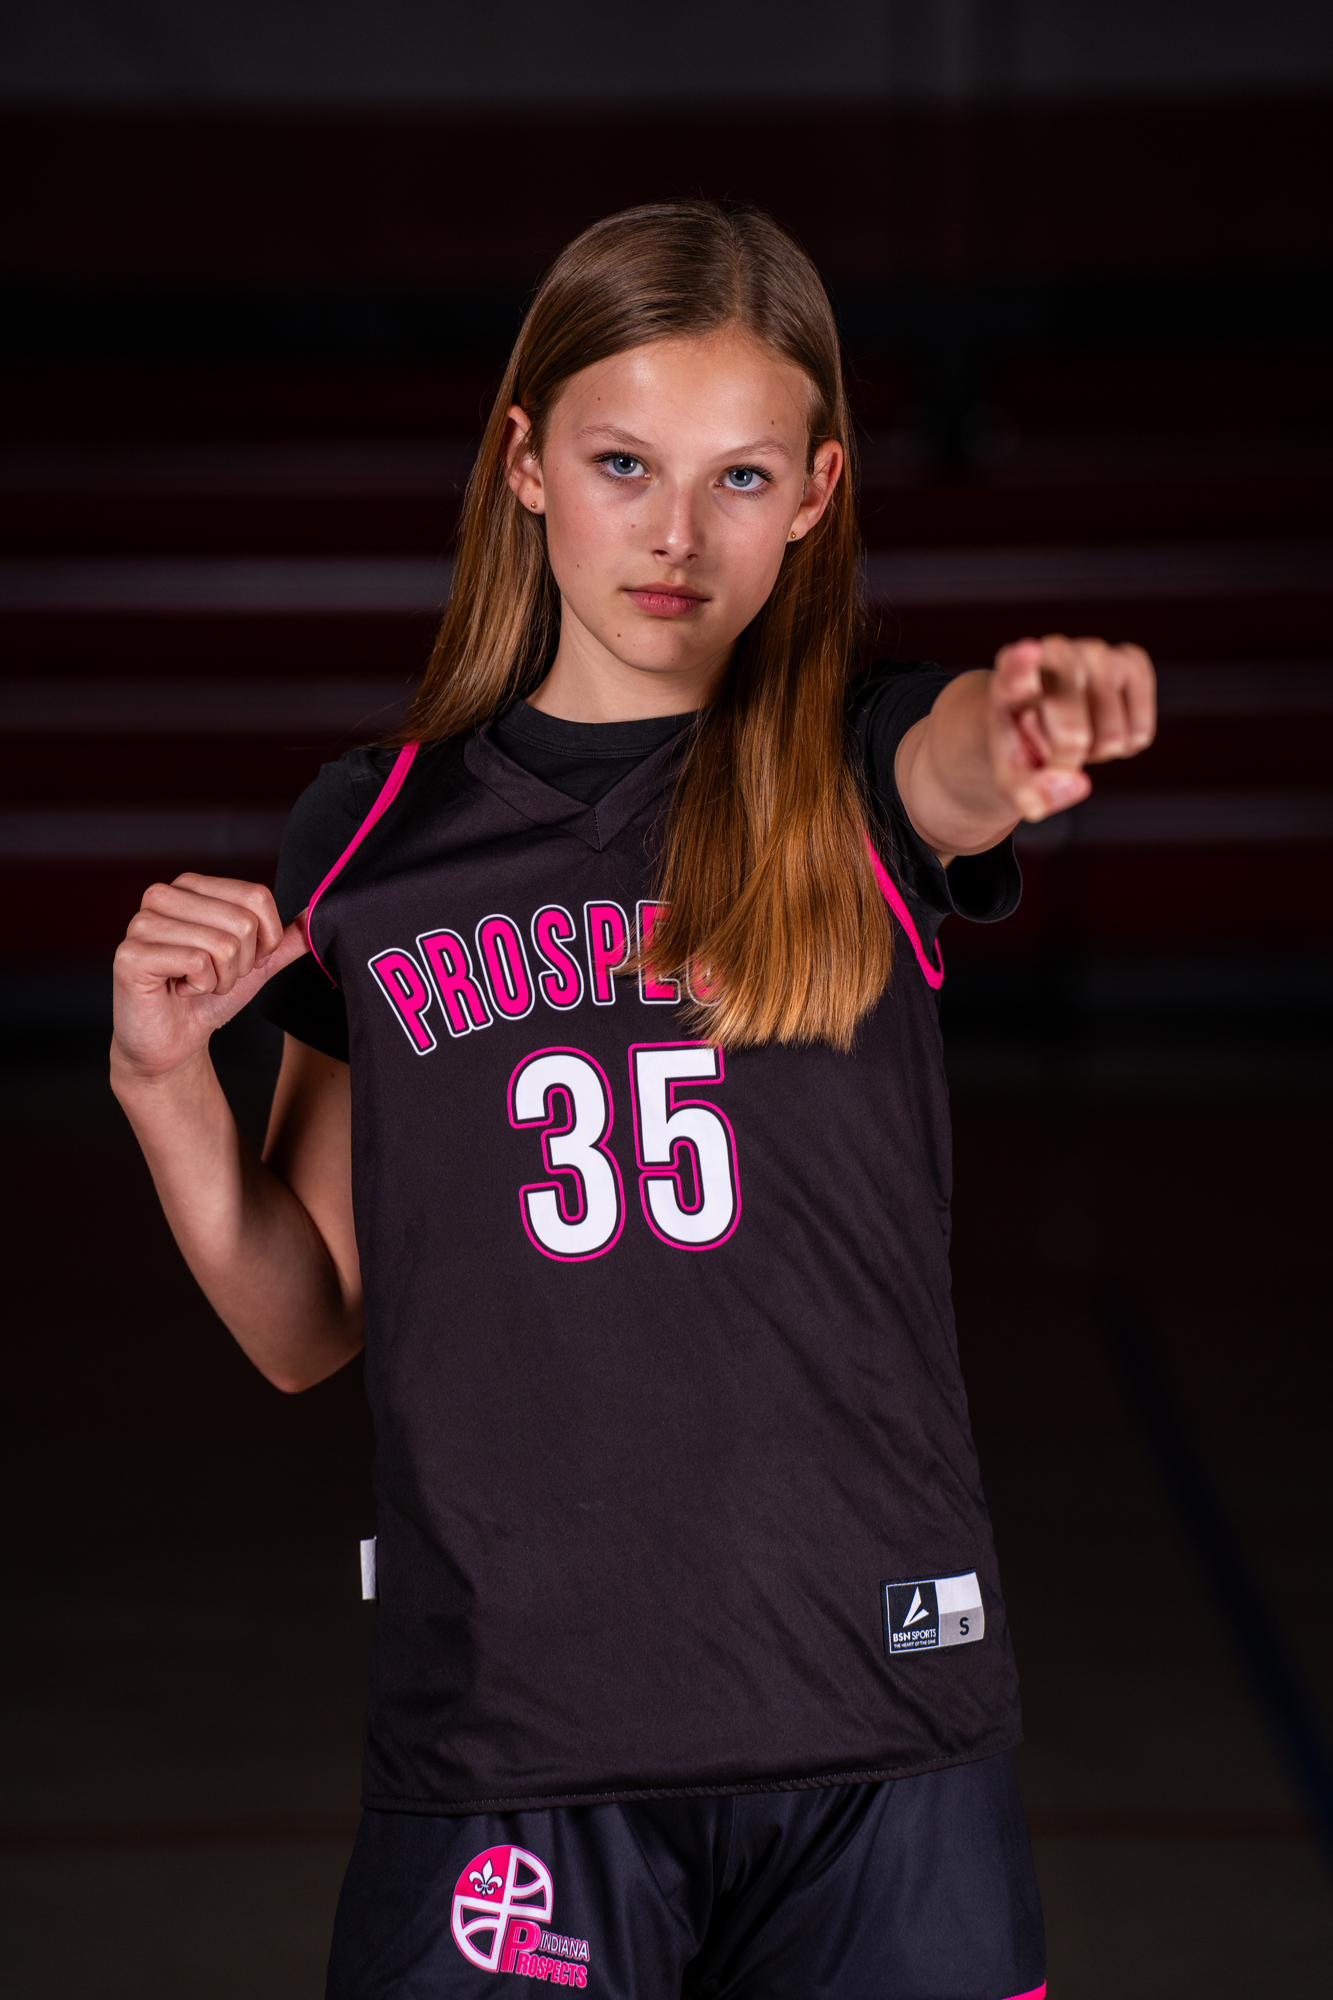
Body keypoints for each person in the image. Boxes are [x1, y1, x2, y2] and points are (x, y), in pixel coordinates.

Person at [110, 202, 1155, 1999]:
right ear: (524, 462)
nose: (676, 535)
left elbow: (960, 760)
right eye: (622, 465)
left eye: (739, 476)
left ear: (816, 492)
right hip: (511, 1738)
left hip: (874, 1728)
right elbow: (304, 1325)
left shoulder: (850, 771)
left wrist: (1021, 721)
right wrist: (159, 1083)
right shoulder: (372, 839)